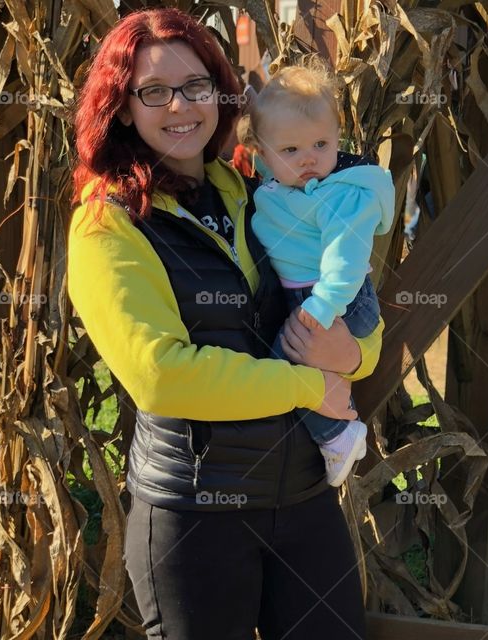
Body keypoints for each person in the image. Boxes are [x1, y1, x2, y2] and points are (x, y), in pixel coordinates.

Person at [67, 8, 381, 638]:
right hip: (194, 512)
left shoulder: (253, 191)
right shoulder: (109, 225)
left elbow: (346, 317)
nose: (180, 105)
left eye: (196, 86)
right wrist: (306, 386)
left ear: (220, 94)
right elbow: (161, 376)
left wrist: (353, 356)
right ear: (124, 107)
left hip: (301, 495)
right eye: (155, 91)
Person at [242, 62, 395, 486]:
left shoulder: (342, 194)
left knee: (283, 363)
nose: (309, 158)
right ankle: (333, 428)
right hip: (310, 299)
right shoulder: (276, 187)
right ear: (263, 153)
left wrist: (324, 306)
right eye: (290, 151)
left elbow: (345, 257)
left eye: (321, 144)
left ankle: (339, 435)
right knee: (288, 368)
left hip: (337, 302)